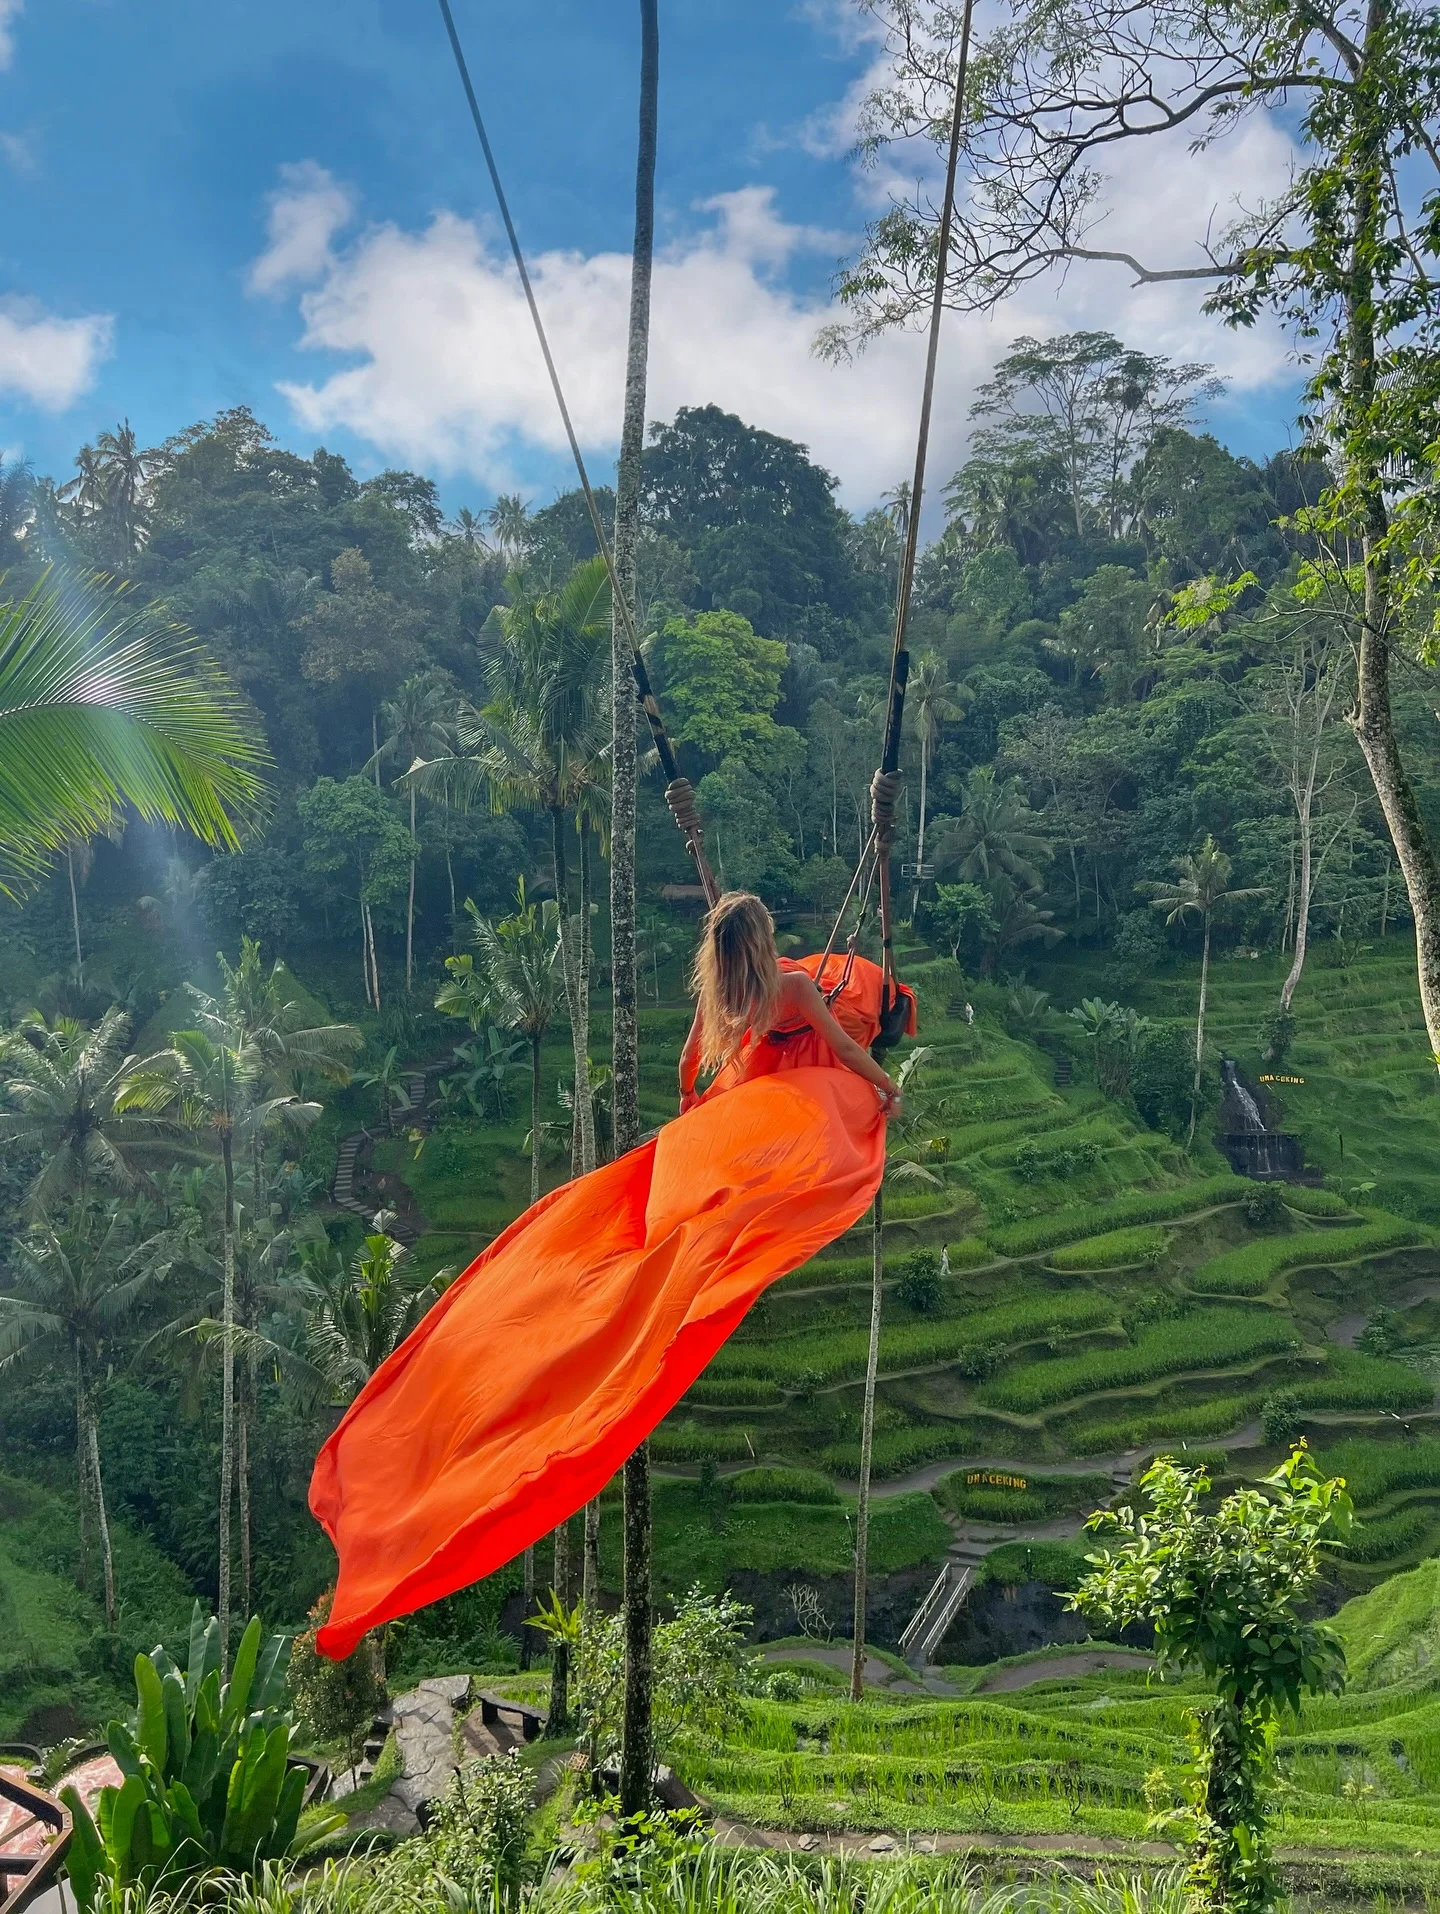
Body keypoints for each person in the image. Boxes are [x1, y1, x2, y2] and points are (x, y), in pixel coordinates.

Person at [678, 890, 902, 1117]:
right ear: (763, 940)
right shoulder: (795, 986)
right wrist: (888, 1087)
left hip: (768, 1055)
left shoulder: (716, 991)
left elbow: (690, 1055)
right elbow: (844, 1048)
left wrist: (687, 1094)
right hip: (814, 1058)